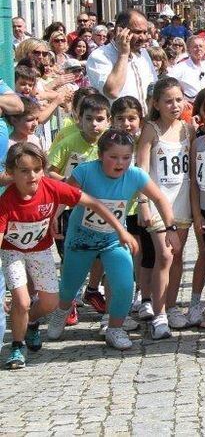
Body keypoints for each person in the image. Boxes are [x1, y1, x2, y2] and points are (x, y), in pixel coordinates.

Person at [0, 143, 117, 368]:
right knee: (22, 301)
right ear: (11, 173)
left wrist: (120, 231)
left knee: (50, 303)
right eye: (24, 171)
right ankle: (17, 345)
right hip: (12, 252)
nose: (32, 176)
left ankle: (31, 322)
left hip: (41, 250)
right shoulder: (5, 202)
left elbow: (92, 202)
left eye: (37, 169)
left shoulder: (52, 188)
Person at [47, 130, 164, 351]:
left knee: (124, 284)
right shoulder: (84, 171)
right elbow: (66, 195)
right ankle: (61, 311)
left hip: (113, 240)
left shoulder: (136, 175)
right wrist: (54, 216)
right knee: (69, 286)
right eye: (114, 157)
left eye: (126, 157)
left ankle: (115, 328)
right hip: (81, 240)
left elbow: (158, 197)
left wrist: (171, 228)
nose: (120, 162)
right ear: (100, 156)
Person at [134, 77, 196, 338]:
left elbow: (191, 170)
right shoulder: (151, 129)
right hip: (158, 203)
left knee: (178, 255)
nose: (174, 105)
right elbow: (142, 170)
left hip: (181, 202)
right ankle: (158, 313)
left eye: (179, 100)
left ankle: (171, 306)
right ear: (156, 104)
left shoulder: (188, 129)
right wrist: (143, 203)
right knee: (165, 256)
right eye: (168, 101)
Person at [86, 10, 157, 114]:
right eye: (137, 32)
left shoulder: (144, 53)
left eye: (145, 32)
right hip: (118, 125)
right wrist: (123, 54)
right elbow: (112, 92)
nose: (143, 37)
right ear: (120, 30)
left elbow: (153, 87)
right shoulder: (99, 56)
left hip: (144, 124)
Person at [168, 35, 205, 102]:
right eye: (195, 46)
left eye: (201, 46)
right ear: (188, 49)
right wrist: (180, 99)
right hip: (189, 107)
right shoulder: (181, 66)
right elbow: (167, 84)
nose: (198, 49)